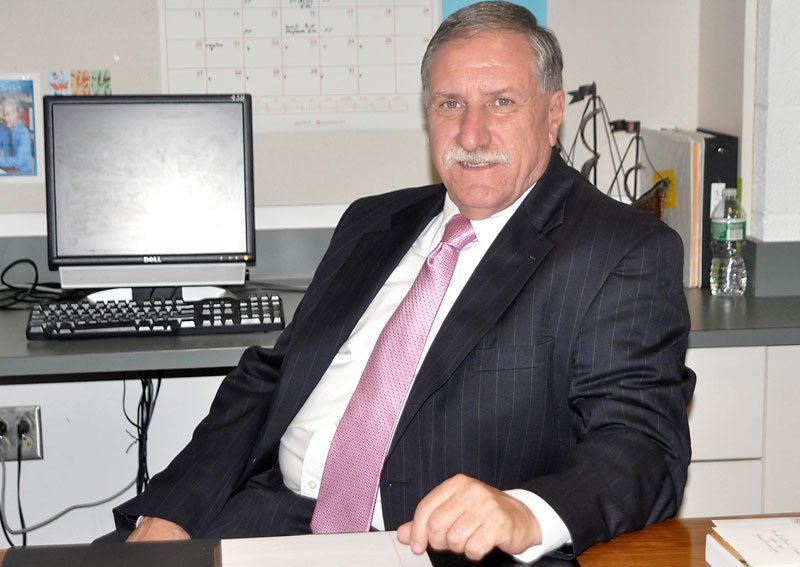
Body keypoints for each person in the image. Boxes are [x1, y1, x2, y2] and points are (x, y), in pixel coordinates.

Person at [113, 1, 695, 561]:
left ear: (552, 113)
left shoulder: (619, 250)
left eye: (501, 102)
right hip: (262, 516)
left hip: (431, 546)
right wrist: (173, 511)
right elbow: (273, 378)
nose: (472, 134)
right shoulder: (372, 222)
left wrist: (525, 513)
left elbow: (641, 445)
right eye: (450, 104)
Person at [0, 97, 33, 174]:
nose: (5, 118)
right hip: (8, 168)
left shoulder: (23, 132)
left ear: (16, 114)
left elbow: (19, 161)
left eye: (8, 115)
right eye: (4, 115)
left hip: (23, 171)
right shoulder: (2, 129)